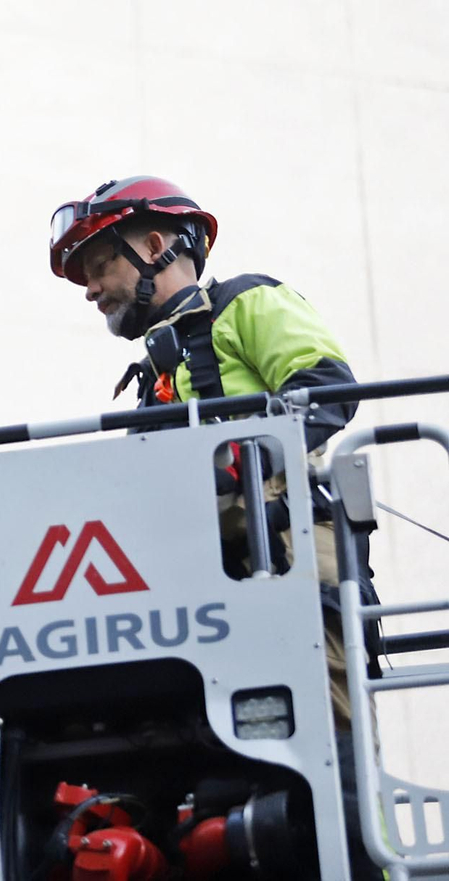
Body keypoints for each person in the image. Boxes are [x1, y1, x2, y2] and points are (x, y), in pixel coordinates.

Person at [49, 175, 382, 880]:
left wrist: (237, 462)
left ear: (156, 245)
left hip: (290, 568)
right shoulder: (152, 376)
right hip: (197, 598)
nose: (89, 287)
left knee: (328, 759)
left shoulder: (246, 305)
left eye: (99, 263)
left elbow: (328, 385)